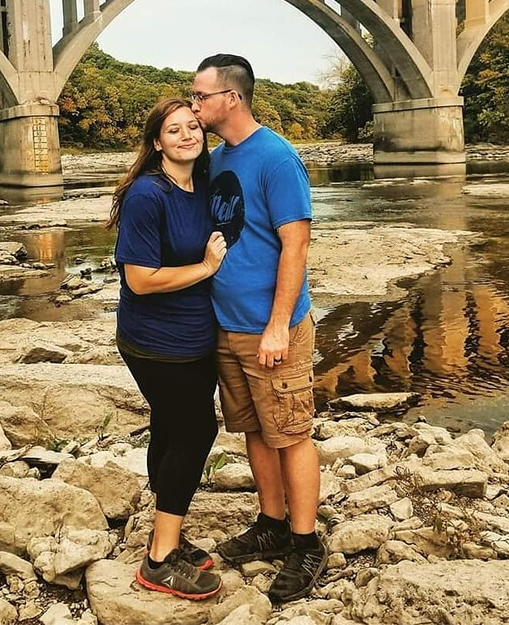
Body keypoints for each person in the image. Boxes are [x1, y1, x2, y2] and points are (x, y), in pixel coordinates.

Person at [191, 55, 327, 603]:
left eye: (200, 96)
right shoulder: (218, 157)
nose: (194, 105)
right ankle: (272, 523)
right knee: (254, 429)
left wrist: (277, 326)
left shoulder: (276, 157)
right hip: (227, 326)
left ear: (232, 98)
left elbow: (296, 244)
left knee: (290, 433)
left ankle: (306, 542)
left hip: (271, 328)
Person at [107, 98, 226, 600]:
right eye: (173, 130)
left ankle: (166, 532)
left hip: (196, 335)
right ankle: (158, 561)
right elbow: (140, 280)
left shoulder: (203, 186)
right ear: (157, 142)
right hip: (155, 341)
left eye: (193, 126)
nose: (186, 135)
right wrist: (206, 268)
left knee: (170, 427)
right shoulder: (146, 195)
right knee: (197, 431)